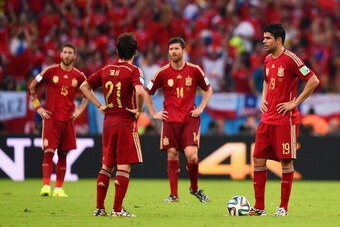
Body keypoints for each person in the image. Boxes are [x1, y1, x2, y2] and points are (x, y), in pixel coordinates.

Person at [249, 24, 320, 217]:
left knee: (286, 163)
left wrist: (294, 103)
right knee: (257, 159)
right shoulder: (267, 60)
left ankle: (283, 208)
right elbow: (266, 80)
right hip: (267, 118)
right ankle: (259, 207)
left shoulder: (291, 59)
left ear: (279, 40)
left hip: (285, 120)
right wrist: (263, 98)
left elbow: (313, 80)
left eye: (268, 38)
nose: (263, 41)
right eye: (263, 38)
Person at [80, 33, 144, 217]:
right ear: (135, 52)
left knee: (107, 165)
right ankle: (117, 210)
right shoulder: (134, 70)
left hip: (108, 122)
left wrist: (100, 105)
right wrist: (139, 110)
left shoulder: (106, 69)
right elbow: (140, 92)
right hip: (125, 121)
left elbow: (84, 86)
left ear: (116, 50)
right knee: (124, 167)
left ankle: (100, 208)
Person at [144, 37, 213, 203]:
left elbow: (208, 89)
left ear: (183, 51)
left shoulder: (195, 70)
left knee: (193, 157)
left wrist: (201, 108)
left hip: (190, 119)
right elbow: (146, 92)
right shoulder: (162, 72)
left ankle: (194, 188)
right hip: (170, 120)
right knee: (172, 153)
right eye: (171, 49)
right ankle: (174, 195)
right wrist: (154, 112)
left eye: (176, 49)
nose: (173, 52)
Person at [28, 43, 88, 197]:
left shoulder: (79, 76)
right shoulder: (50, 71)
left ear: (74, 56)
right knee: (49, 152)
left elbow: (89, 92)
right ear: (60, 54)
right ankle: (46, 186)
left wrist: (80, 109)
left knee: (63, 154)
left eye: (70, 53)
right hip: (51, 118)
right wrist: (39, 108)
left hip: (68, 120)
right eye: (65, 52)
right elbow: (32, 87)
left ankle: (59, 189)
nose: (67, 55)